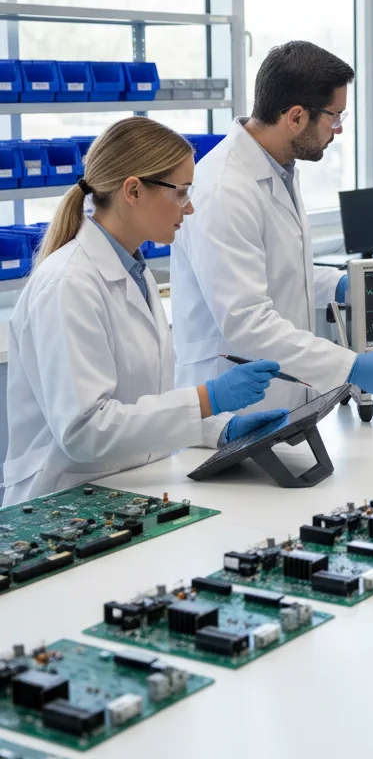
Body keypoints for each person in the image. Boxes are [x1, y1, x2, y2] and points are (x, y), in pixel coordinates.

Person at [2, 117, 286, 504]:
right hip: (60, 499)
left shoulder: (133, 271)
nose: (189, 208)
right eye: (181, 192)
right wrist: (208, 398)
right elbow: (86, 431)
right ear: (133, 190)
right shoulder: (69, 283)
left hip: (128, 486)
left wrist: (219, 428)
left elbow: (143, 404)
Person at [172, 41, 373, 412]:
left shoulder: (279, 168)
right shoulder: (224, 190)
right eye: (334, 117)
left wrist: (341, 283)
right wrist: (350, 367)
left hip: (283, 397)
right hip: (236, 408)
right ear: (296, 117)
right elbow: (247, 322)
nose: (337, 130)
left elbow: (280, 272)